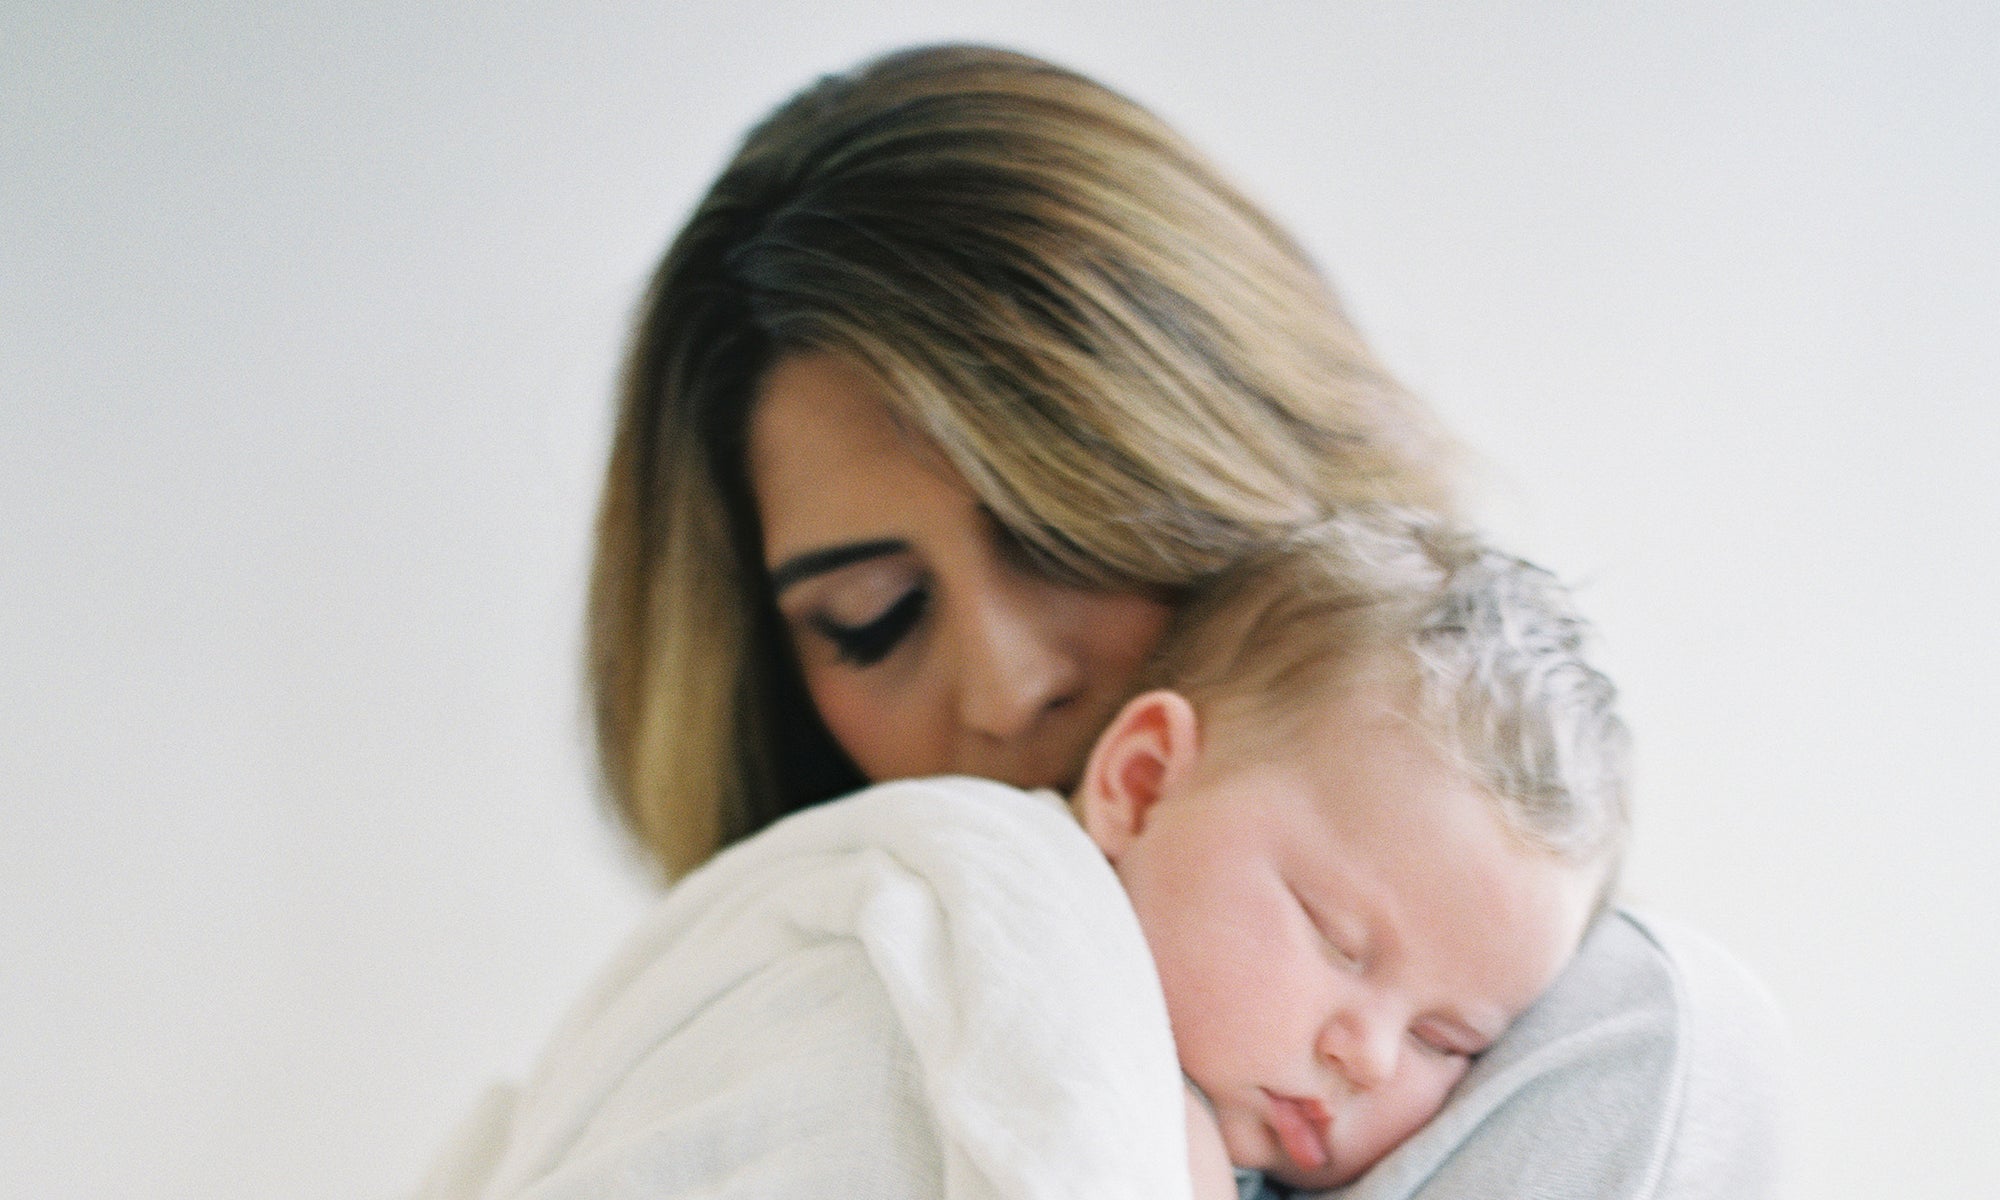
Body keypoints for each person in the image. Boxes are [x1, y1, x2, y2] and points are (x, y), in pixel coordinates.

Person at [570, 42, 1783, 1200]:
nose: (1005, 688)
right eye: (873, 619)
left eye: (1069, 537)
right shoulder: (775, 1023)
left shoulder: (1613, 1045)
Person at [416, 513, 1620, 1200]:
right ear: (1140, 784)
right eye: (1333, 937)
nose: (1364, 1053)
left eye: (1446, 1041)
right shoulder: (999, 902)